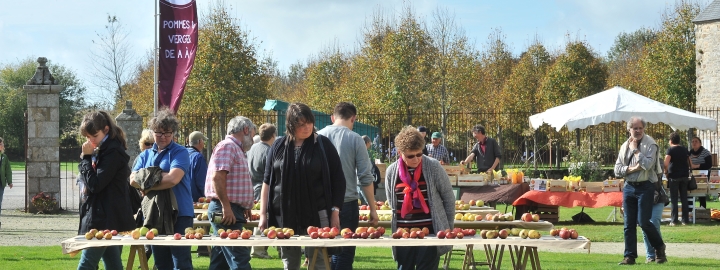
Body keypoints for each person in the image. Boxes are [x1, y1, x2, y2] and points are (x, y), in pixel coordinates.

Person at [259, 103, 346, 270]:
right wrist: (263, 214)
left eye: (309, 123)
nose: (307, 128)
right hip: (284, 213)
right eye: (301, 124)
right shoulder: (278, 146)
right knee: (290, 263)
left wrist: (335, 211)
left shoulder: (323, 145)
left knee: (319, 261)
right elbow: (267, 182)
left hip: (318, 212)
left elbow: (338, 180)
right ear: (291, 126)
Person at [317, 102, 379, 270]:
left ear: (332, 117)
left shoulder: (317, 136)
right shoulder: (355, 139)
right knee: (344, 255)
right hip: (347, 202)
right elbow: (365, 177)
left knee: (320, 255)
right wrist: (372, 208)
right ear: (354, 118)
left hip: (320, 203)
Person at [131, 108, 194, 270]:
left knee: (181, 262)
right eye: (159, 133)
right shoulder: (145, 155)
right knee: (161, 263)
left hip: (180, 212)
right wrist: (160, 176)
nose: (164, 137)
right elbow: (132, 180)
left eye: (168, 133)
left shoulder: (180, 152)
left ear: (173, 132)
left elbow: (173, 179)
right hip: (154, 214)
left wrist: (146, 180)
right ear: (153, 132)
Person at [385, 126, 455, 269]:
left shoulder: (433, 167)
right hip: (403, 234)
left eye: (419, 154)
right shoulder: (392, 171)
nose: (416, 159)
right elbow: (393, 204)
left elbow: (449, 198)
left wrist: (447, 227)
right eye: (410, 156)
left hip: (429, 232)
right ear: (400, 153)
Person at [76, 111, 135, 270]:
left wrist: (86, 159)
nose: (90, 141)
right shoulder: (104, 148)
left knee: (87, 264)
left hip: (105, 217)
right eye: (87, 137)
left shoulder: (112, 151)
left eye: (94, 136)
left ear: (106, 130)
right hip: (106, 215)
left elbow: (96, 184)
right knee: (113, 264)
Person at [204, 116, 256, 270]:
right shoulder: (228, 146)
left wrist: (245, 205)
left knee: (220, 261)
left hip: (231, 209)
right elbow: (218, 178)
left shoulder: (235, 148)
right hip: (227, 211)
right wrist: (226, 207)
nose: (253, 138)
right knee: (239, 258)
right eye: (253, 133)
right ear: (246, 130)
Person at [614, 116, 666, 265]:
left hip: (646, 186)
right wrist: (631, 169)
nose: (638, 131)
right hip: (629, 186)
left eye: (640, 128)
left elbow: (648, 165)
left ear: (644, 129)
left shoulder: (651, 144)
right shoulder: (624, 145)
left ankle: (659, 247)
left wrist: (635, 150)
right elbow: (617, 170)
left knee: (644, 222)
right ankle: (629, 257)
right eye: (635, 128)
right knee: (628, 224)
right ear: (629, 129)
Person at [247, 123, 277, 259]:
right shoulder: (268, 151)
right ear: (273, 135)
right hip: (263, 187)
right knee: (262, 218)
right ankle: (258, 249)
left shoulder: (253, 147)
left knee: (257, 217)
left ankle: (257, 247)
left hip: (252, 186)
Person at [664, 131, 691, 226]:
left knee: (674, 199)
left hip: (674, 176)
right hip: (684, 175)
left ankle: (674, 220)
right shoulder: (684, 149)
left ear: (671, 141)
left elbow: (666, 163)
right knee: (684, 198)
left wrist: (666, 172)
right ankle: (685, 220)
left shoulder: (670, 150)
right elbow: (689, 161)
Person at [689, 136, 712, 208]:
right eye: (693, 141)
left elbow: (709, 164)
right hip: (692, 175)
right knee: (691, 192)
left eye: (696, 141)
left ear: (700, 143)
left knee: (701, 191)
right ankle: (690, 211)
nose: (694, 143)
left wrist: (697, 166)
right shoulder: (690, 153)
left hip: (703, 175)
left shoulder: (705, 152)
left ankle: (702, 209)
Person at [187, 131, 209, 202]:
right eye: (203, 141)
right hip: (196, 198)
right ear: (200, 141)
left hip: (183, 195)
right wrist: (206, 195)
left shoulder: (182, 154)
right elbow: (201, 180)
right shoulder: (198, 157)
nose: (204, 143)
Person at [0, 137, 14, 229]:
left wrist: (9, 182)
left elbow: (8, 170)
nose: (3, 146)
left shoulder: (4, 157)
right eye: (2, 144)